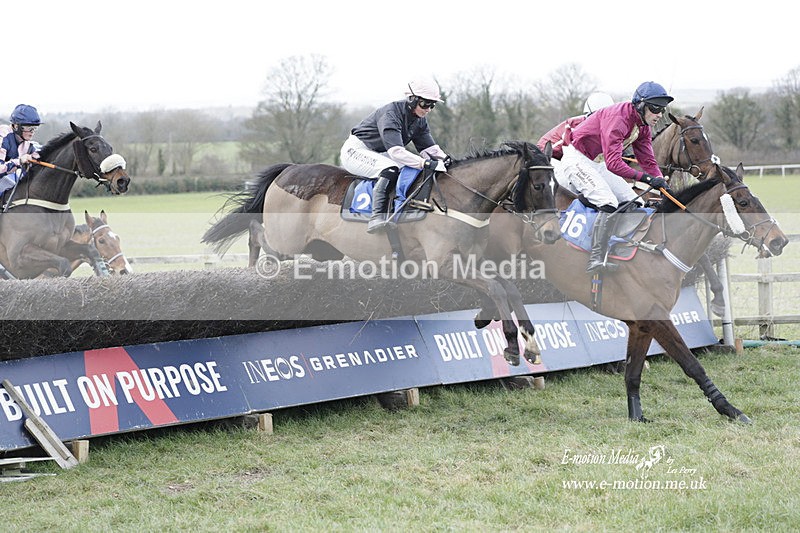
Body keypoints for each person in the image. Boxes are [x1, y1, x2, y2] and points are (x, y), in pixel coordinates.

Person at [560, 81, 674, 272]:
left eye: (662, 109)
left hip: (598, 162)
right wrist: (647, 179)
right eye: (655, 108)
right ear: (640, 104)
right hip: (577, 159)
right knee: (608, 201)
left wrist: (662, 184)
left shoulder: (643, 125)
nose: (659, 114)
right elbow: (614, 164)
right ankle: (595, 259)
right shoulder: (618, 119)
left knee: (633, 201)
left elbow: (647, 161)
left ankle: (618, 248)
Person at [341, 77, 448, 233]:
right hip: (357, 150)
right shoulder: (392, 113)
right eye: (425, 104)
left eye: (432, 105)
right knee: (390, 168)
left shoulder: (420, 120)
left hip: (380, 153)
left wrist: (447, 161)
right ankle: (377, 217)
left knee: (410, 171)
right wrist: (424, 163)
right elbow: (396, 152)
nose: (428, 109)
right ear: (412, 99)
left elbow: (430, 151)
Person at [537, 92, 614, 186]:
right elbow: (572, 154)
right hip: (547, 154)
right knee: (569, 181)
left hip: (564, 156)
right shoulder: (576, 126)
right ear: (589, 114)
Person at [0, 104, 42, 201]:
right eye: (28, 127)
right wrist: (19, 161)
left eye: (34, 127)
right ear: (15, 126)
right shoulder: (3, 136)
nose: (32, 131)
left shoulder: (28, 145)